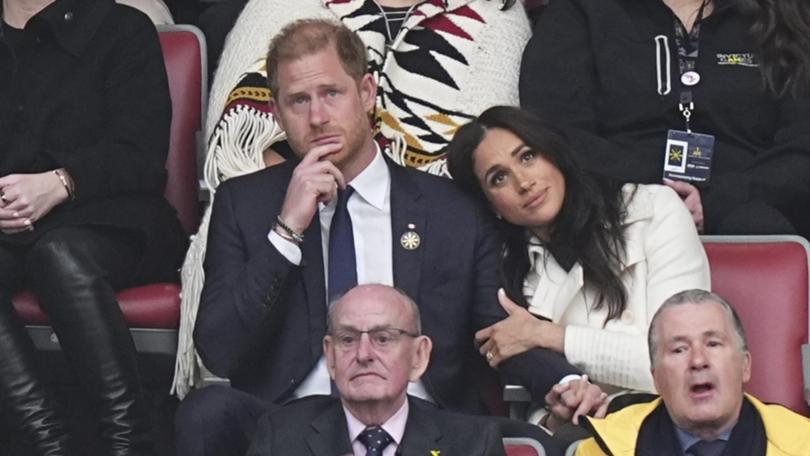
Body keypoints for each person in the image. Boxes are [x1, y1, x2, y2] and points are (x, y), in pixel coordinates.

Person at [175, 19, 580, 456]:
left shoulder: (449, 208)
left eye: (332, 94)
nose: (317, 117)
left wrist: (565, 382)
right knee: (206, 411)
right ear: (276, 112)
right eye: (298, 101)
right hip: (291, 429)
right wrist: (287, 229)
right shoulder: (246, 203)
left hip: (421, 424)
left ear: (366, 93)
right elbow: (219, 350)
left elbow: (496, 326)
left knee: (542, 445)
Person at [446, 106, 711, 429]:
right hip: (591, 438)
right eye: (499, 178)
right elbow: (531, 405)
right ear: (491, 206)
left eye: (527, 156)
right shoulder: (506, 274)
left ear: (553, 154)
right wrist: (557, 415)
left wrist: (547, 335)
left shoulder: (654, 209)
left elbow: (682, 363)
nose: (524, 182)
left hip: (689, 427)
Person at [0, 0, 187, 454]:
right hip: (10, 225)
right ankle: (49, 446)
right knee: (50, 252)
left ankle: (129, 442)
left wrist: (62, 182)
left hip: (113, 216)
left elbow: (142, 157)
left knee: (59, 256)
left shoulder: (121, 27)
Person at [520, 0, 810, 238]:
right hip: (621, 207)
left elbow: (802, 146)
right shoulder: (582, 11)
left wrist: (719, 200)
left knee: (756, 225)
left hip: (752, 209)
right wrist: (657, 193)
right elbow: (554, 130)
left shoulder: (783, 14)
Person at [246, 284, 507, 456]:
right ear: (330, 356)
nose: (363, 354)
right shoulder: (280, 440)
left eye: (383, 338)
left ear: (418, 355)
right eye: (347, 339)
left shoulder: (472, 445)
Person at [575, 289, 810, 455]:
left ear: (745, 366)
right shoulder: (603, 449)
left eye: (713, 344)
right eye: (679, 350)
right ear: (656, 378)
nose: (698, 360)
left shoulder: (803, 444)